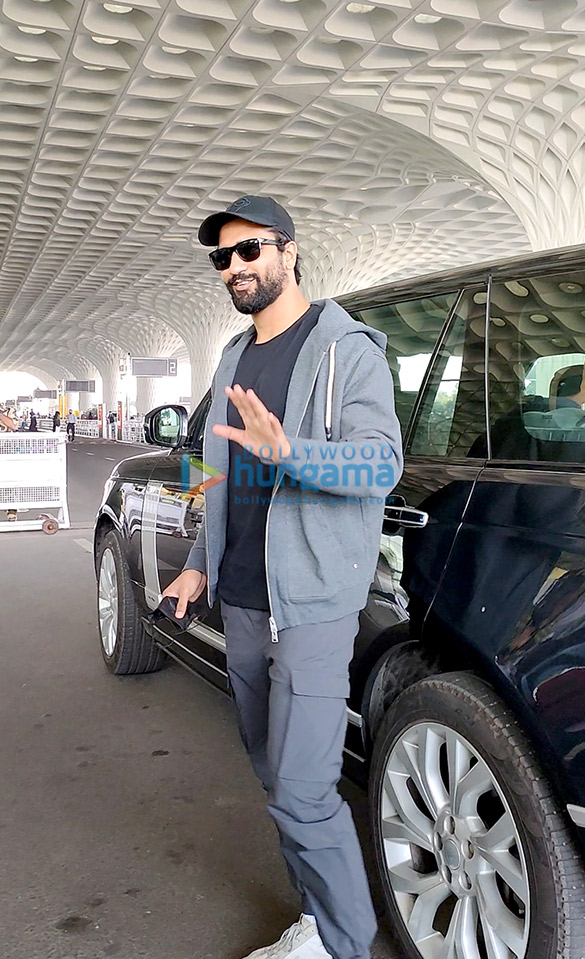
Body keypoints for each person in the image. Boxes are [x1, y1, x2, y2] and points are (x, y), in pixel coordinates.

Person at [163, 196, 403, 959]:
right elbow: (209, 466)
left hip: (310, 608)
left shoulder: (346, 348)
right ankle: (314, 921)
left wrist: (290, 452)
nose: (236, 267)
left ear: (288, 251)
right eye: (223, 258)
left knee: (303, 794)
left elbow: (382, 464)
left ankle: (347, 944)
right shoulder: (232, 357)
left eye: (250, 250)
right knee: (277, 780)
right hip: (237, 601)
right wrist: (196, 566)